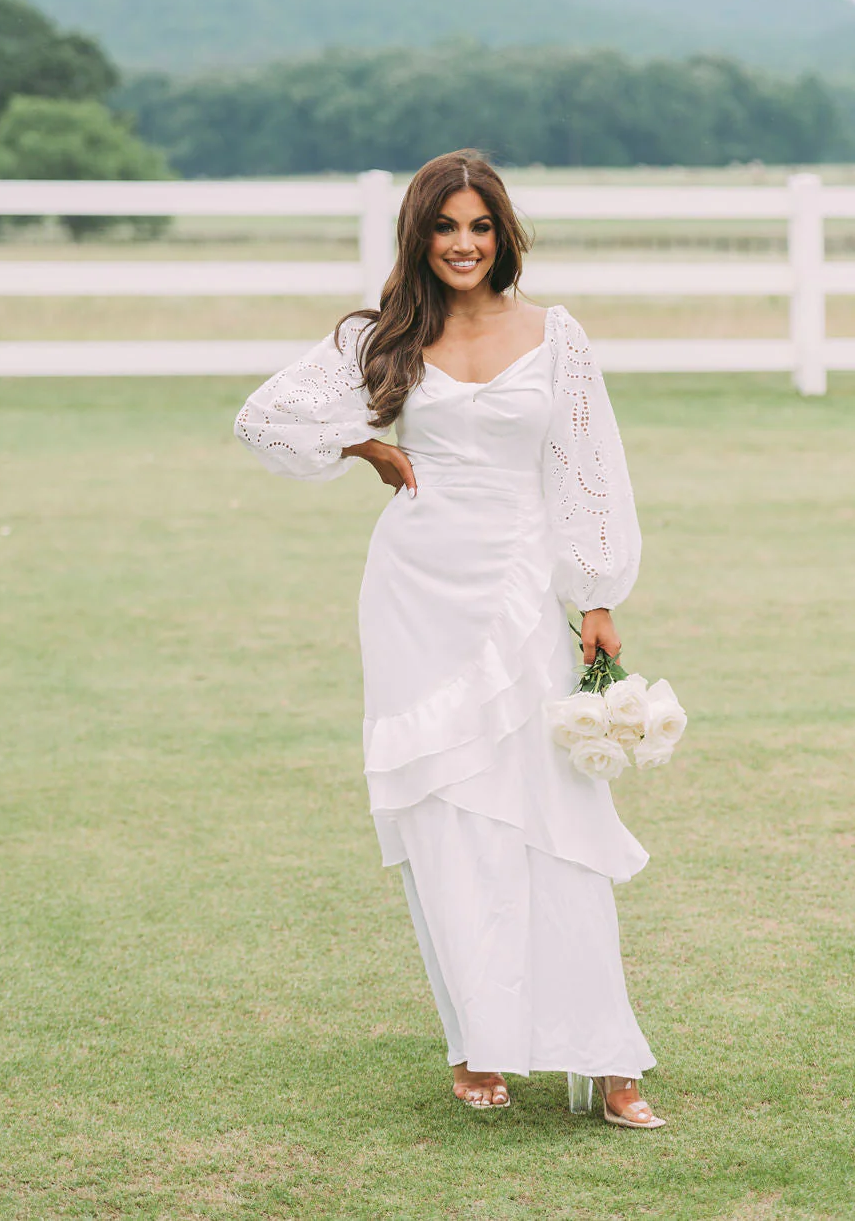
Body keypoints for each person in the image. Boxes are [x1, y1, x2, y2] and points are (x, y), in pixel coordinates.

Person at [234, 149, 664, 1128]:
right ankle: (477, 1042)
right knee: (446, 817)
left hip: (519, 589)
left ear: (502, 235)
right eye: (443, 226)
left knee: (554, 812)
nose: (462, 244)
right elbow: (263, 420)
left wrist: (596, 597)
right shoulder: (379, 336)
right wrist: (364, 444)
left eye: (478, 226)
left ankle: (606, 1052)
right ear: (418, 235)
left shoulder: (556, 336)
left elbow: (587, 467)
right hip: (414, 595)